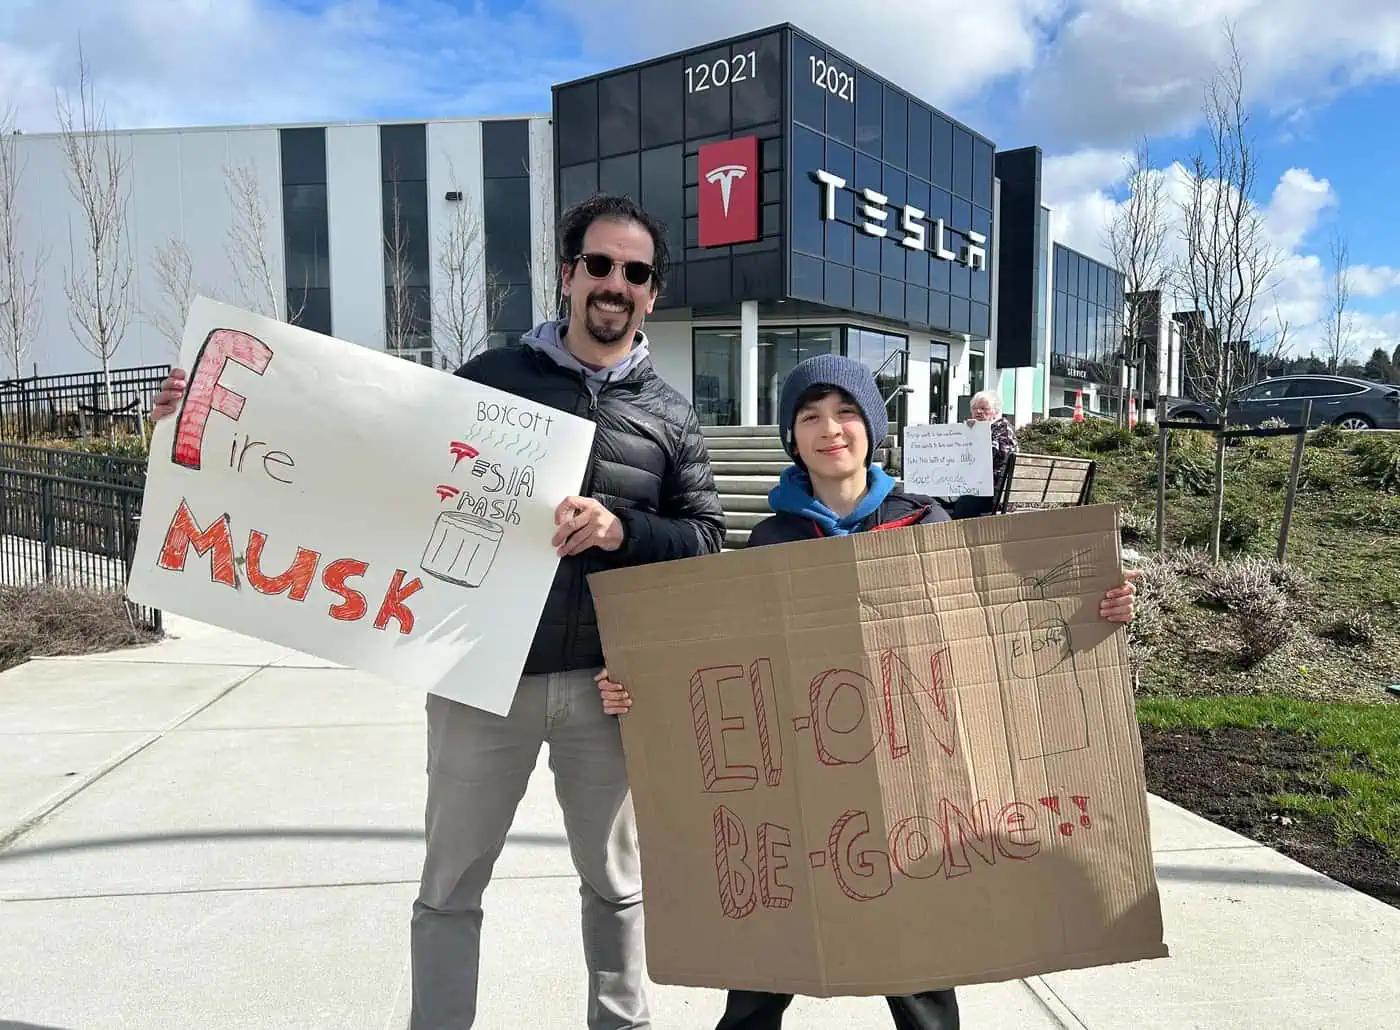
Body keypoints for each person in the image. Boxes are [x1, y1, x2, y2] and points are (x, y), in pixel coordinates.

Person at [151, 194, 727, 1030]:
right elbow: (365, 457)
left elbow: (708, 538)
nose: (614, 283)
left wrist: (622, 527)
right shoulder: (490, 382)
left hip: (607, 691)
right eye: (598, 264)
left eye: (634, 272)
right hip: (477, 681)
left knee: (617, 886)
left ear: (652, 293)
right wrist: (197, 417)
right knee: (451, 885)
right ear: (567, 275)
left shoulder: (671, 415)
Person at [595, 355, 1137, 1030]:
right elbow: (723, 668)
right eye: (810, 415)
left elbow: (993, 632)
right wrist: (640, 684)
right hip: (801, 799)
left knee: (920, 980)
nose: (831, 429)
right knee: (763, 974)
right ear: (792, 437)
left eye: (847, 411)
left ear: (872, 428)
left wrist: (1094, 610)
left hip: (917, 794)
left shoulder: (925, 523)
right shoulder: (771, 540)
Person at [951, 389, 1019, 519]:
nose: (978, 412)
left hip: (996, 494)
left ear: (995, 411)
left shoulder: (1002, 429)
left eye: (984, 408)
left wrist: (972, 435)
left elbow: (993, 458)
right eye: (975, 408)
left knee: (964, 503)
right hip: (985, 490)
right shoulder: (981, 429)